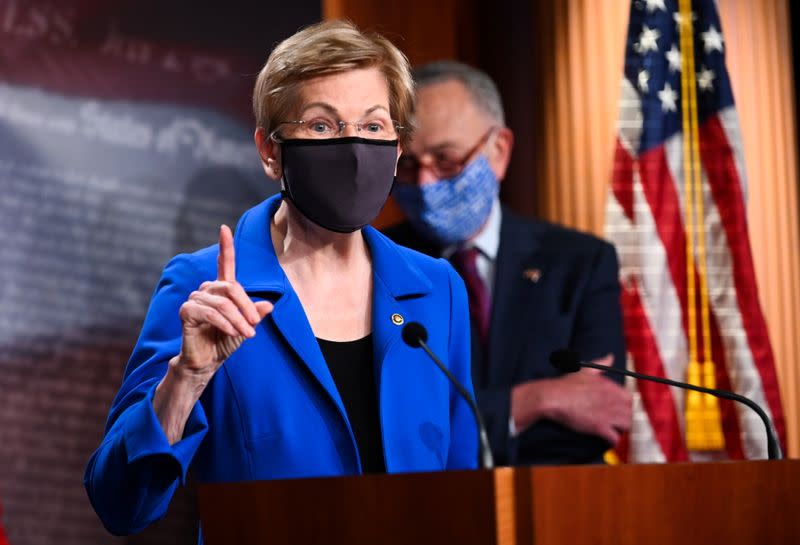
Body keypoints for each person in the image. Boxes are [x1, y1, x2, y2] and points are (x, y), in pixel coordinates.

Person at [84, 23, 477, 537]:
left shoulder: (436, 289)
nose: (353, 147)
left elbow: (464, 486)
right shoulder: (204, 286)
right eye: (321, 126)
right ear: (271, 151)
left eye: (374, 126)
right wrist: (186, 379)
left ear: (398, 146)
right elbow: (120, 503)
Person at [386, 61, 631, 465]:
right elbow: (392, 428)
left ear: (498, 151)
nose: (425, 184)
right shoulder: (376, 264)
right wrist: (533, 400)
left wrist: (466, 425)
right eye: (408, 165)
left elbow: (594, 425)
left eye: (445, 160)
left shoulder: (581, 263)